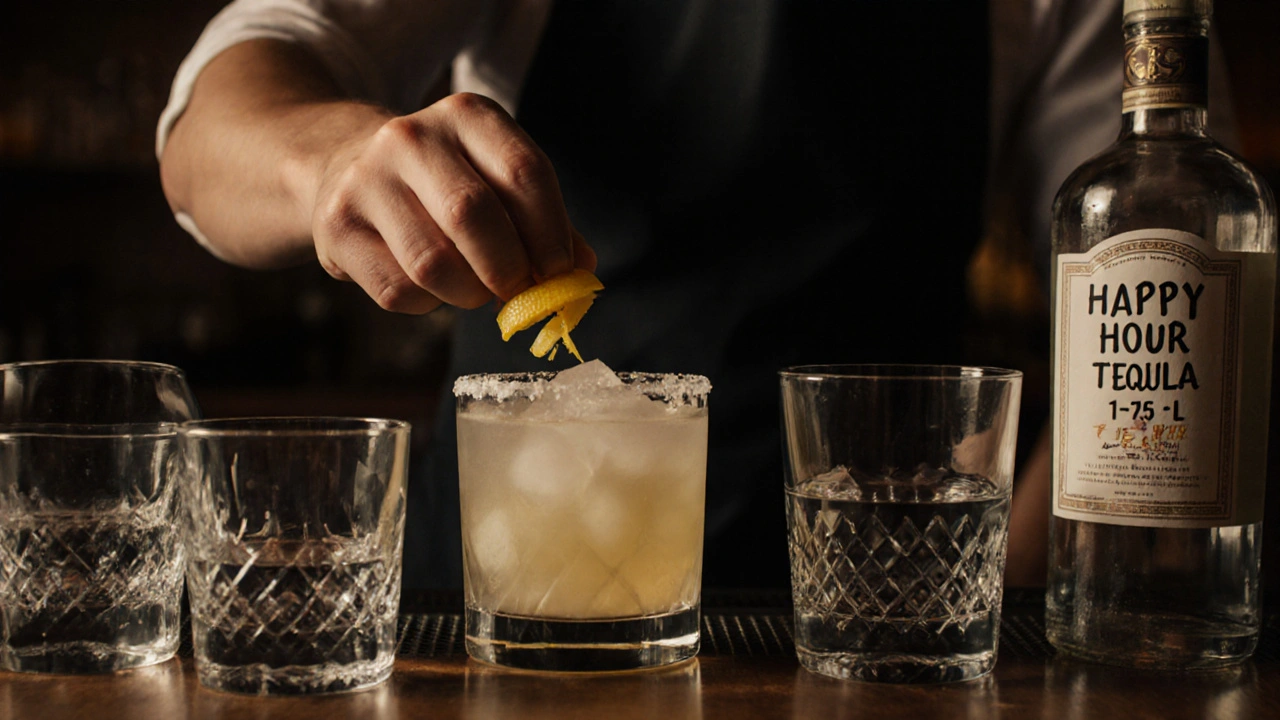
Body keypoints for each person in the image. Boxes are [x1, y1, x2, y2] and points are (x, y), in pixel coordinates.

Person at [157, 0, 1238, 591]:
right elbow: (221, 110)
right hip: (513, 590)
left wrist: (1010, 593)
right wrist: (334, 159)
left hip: (873, 617)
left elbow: (1168, 303)